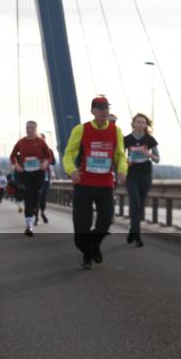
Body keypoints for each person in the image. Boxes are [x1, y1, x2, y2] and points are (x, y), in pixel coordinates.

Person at [62, 96, 127, 269]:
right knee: (81, 229)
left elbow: (120, 155)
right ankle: (88, 253)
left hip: (105, 184)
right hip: (83, 183)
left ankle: (94, 246)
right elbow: (68, 154)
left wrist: (122, 170)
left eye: (106, 108)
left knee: (105, 221)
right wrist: (71, 170)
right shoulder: (81, 129)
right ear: (92, 111)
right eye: (99, 108)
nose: (103, 111)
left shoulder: (116, 131)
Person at [9, 120, 54, 236]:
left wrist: (45, 163)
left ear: (36, 129)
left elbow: (49, 157)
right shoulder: (21, 142)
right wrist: (17, 165)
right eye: (28, 127)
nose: (29, 130)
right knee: (28, 197)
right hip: (26, 174)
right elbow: (12, 156)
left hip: (39, 173)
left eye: (32, 128)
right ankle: (29, 225)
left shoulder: (41, 142)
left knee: (36, 198)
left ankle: (34, 212)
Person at [124, 113, 160, 246]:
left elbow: (157, 159)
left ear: (146, 125)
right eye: (138, 122)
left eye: (143, 122)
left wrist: (148, 154)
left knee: (140, 205)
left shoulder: (150, 139)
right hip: (131, 174)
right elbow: (119, 156)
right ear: (133, 124)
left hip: (145, 175)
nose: (140, 124)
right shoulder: (126, 139)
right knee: (135, 203)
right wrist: (126, 161)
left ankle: (133, 230)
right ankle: (137, 235)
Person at [36, 133, 55, 225]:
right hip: (35, 176)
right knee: (36, 197)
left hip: (46, 177)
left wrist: (46, 161)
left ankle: (42, 212)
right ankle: (35, 216)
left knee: (43, 197)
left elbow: (53, 161)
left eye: (42, 139)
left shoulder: (49, 150)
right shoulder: (34, 150)